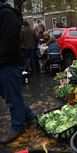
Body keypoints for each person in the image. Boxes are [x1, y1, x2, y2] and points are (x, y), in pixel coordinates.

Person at [0, 0, 34, 144]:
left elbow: (10, 43)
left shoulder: (6, 14)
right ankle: (29, 115)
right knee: (9, 94)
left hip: (9, 63)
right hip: (7, 62)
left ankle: (17, 125)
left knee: (13, 97)